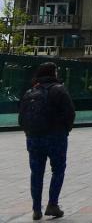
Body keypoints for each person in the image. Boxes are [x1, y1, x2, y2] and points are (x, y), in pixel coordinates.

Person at [18, 62, 75, 220]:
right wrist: (65, 130)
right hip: (56, 137)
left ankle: (36, 209)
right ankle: (52, 204)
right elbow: (70, 113)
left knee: (36, 173)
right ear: (53, 73)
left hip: (33, 138)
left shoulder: (30, 91)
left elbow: (21, 118)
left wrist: (30, 133)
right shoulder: (59, 89)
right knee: (58, 170)